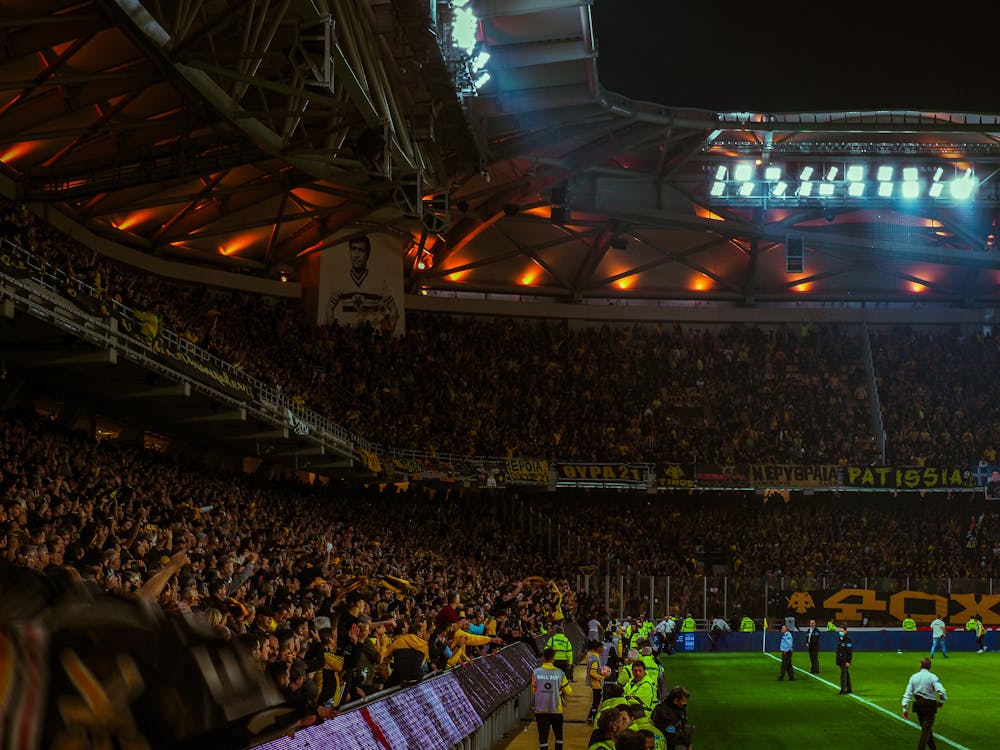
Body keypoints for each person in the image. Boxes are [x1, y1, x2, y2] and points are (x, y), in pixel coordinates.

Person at [902, 657, 947, 750]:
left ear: (920, 666)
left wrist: (905, 708)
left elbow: (908, 693)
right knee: (926, 730)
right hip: (929, 706)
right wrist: (941, 701)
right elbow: (941, 691)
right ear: (930, 666)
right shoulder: (933, 677)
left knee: (926, 728)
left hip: (918, 705)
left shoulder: (914, 677)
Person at [532, 647, 571, 750]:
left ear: (543, 658)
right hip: (556, 709)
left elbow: (534, 691)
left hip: (540, 709)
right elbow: (569, 692)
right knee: (558, 736)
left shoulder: (536, 672)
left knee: (543, 737)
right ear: (553, 658)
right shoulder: (560, 673)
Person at [651, 684, 695, 749]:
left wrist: (688, 742)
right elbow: (670, 737)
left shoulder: (678, 707)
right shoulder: (664, 712)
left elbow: (683, 723)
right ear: (676, 701)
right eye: (684, 701)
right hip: (662, 742)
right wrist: (686, 736)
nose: (685, 703)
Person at [586, 641, 609, 722]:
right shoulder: (596, 659)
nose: (603, 649)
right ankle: (591, 718)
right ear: (598, 648)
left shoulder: (593, 657)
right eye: (602, 647)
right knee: (596, 703)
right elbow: (592, 672)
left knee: (595, 703)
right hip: (596, 684)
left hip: (595, 684)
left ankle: (590, 717)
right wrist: (602, 677)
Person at [835, 624, 853, 695]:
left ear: (845, 632)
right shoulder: (839, 639)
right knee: (846, 674)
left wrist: (848, 661)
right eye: (840, 631)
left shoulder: (848, 640)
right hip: (840, 660)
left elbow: (849, 652)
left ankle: (844, 689)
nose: (840, 632)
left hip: (845, 660)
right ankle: (849, 689)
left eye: (842, 631)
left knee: (843, 675)